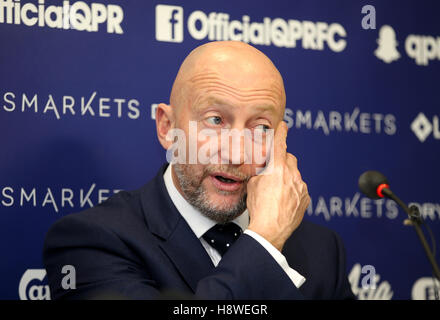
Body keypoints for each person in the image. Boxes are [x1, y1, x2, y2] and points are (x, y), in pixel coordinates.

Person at [43, 41, 355, 300]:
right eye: (216, 121)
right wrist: (264, 242)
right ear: (167, 127)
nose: (236, 153)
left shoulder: (322, 250)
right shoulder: (92, 242)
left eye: (260, 127)